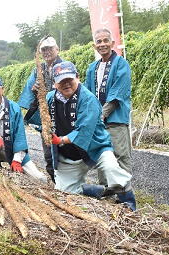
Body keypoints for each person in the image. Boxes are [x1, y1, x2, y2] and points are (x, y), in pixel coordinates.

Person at [26, 61, 136, 210]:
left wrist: (59, 140)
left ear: (77, 77)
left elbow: (85, 129)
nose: (66, 84)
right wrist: (37, 98)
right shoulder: (50, 99)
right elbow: (38, 120)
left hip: (96, 148)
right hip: (69, 155)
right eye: (61, 81)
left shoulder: (88, 98)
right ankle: (92, 190)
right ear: (54, 83)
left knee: (112, 169)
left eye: (69, 80)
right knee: (64, 193)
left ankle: (129, 203)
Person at [84, 28, 133, 192]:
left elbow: (119, 92)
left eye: (106, 40)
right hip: (98, 121)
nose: (102, 44)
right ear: (94, 45)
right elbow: (88, 94)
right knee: (102, 154)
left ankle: (124, 191)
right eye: (99, 41)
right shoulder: (92, 68)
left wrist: (103, 114)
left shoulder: (121, 64)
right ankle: (107, 189)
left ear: (112, 43)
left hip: (116, 119)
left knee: (120, 154)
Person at [0, 75, 47, 182]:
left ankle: (16, 163)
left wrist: (17, 159)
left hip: (12, 149)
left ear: (2, 89)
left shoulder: (14, 108)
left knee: (40, 178)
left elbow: (19, 136)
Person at [17, 36, 64, 183]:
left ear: (57, 49)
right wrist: (35, 91)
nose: (47, 52)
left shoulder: (65, 66)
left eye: (50, 49)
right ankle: (54, 178)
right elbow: (30, 93)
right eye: (44, 50)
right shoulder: (39, 69)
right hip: (45, 116)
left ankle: (66, 181)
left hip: (63, 114)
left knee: (64, 148)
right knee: (48, 150)